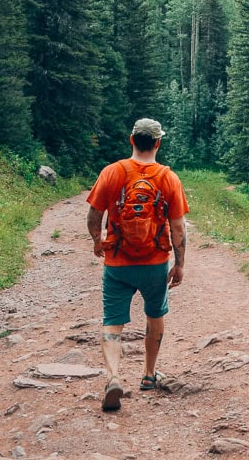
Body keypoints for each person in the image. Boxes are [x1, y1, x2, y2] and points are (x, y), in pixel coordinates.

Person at [86, 118, 189, 412]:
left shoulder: (112, 172)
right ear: (158, 143)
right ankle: (148, 375)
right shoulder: (169, 178)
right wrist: (179, 264)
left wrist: (97, 241)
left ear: (132, 140)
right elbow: (178, 228)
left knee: (112, 322)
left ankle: (114, 377)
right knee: (154, 314)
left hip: (117, 262)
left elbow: (94, 214)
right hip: (155, 263)